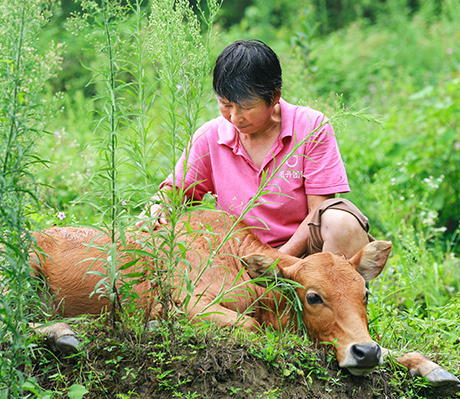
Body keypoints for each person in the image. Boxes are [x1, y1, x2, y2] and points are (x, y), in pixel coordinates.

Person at [150, 39, 372, 259]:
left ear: (274, 97)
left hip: (303, 260)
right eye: (226, 105)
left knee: (341, 221)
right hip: (239, 265)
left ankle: (337, 293)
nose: (235, 118)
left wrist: (277, 262)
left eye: (247, 107)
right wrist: (160, 207)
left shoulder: (312, 127)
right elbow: (174, 191)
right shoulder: (210, 137)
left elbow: (318, 211)